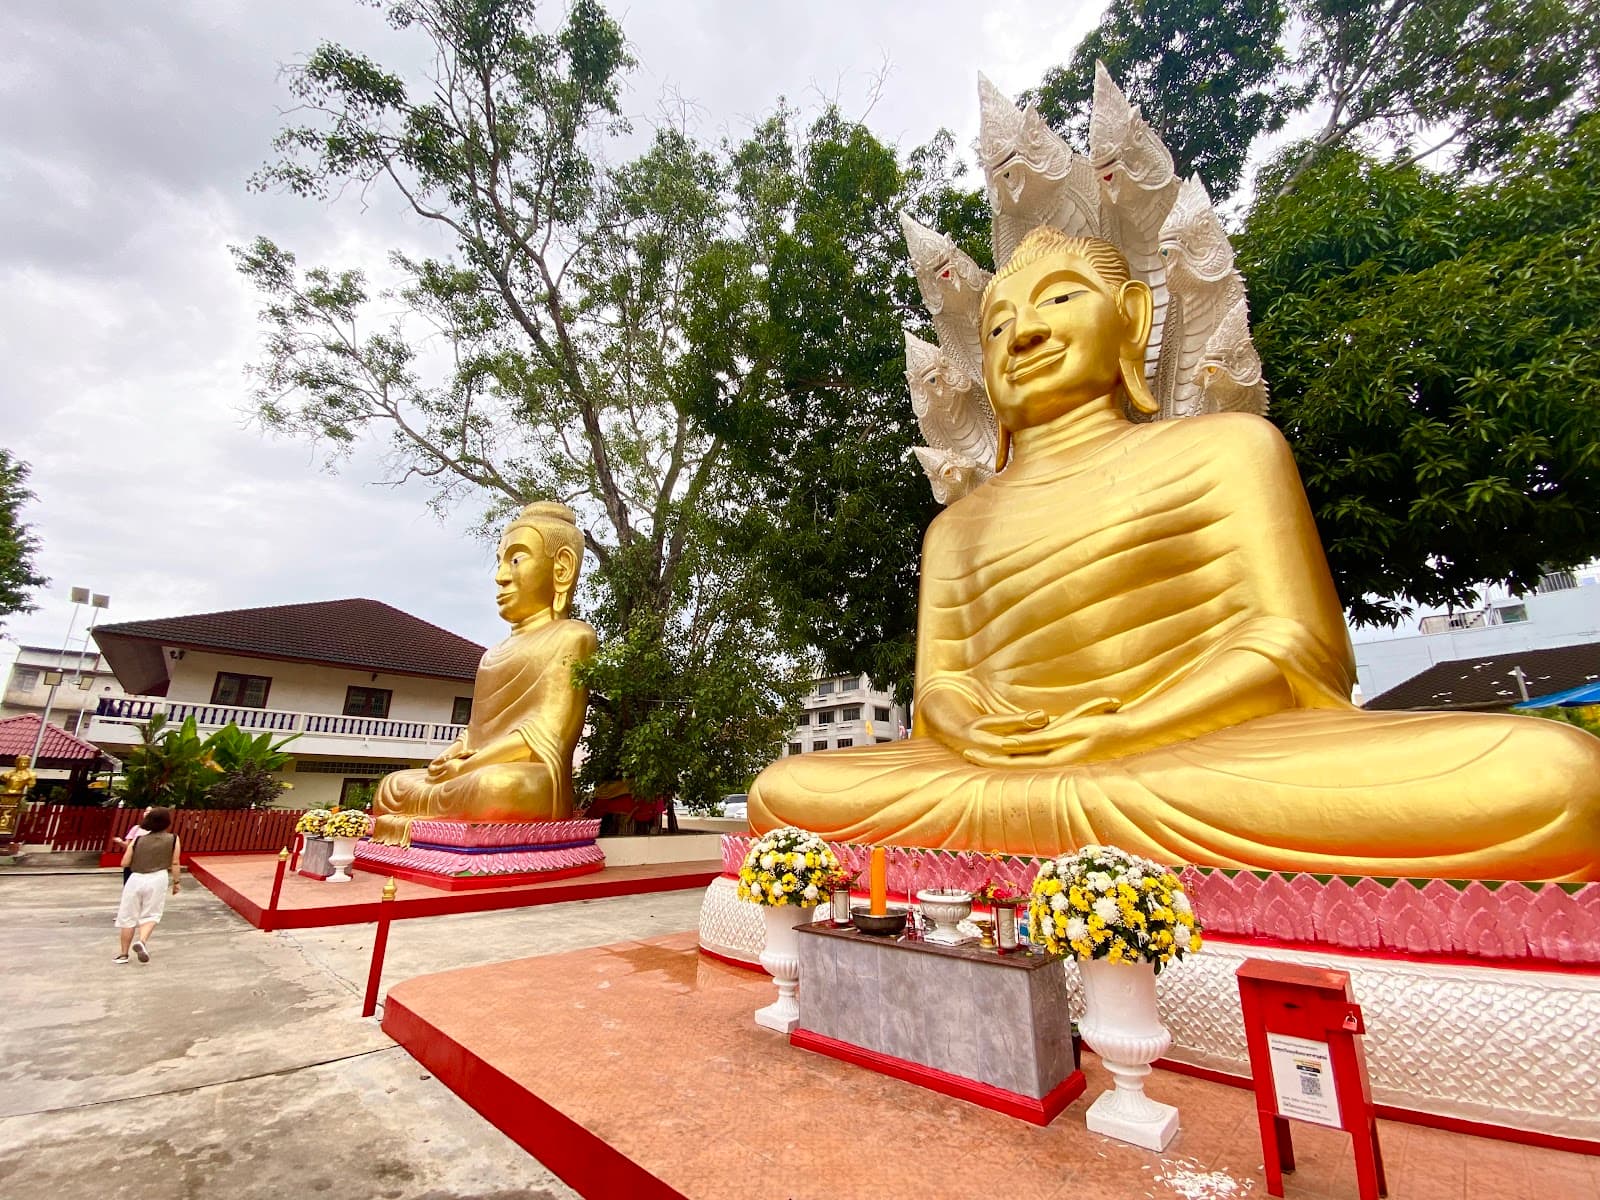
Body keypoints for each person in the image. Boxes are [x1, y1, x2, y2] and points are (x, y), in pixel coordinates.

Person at [749, 228, 1600, 882]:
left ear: (1132, 318)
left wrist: (1129, 726)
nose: (1024, 335)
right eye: (999, 324)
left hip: (1192, 755)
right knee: (784, 794)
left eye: (1057, 302)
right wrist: (979, 732)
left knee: (1548, 778)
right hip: (990, 774)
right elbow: (943, 688)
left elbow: (1298, 651)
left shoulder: (1229, 449)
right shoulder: (958, 528)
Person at [371, 501, 597, 845]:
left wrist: (468, 768)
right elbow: (476, 733)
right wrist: (453, 756)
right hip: (473, 769)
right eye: (500, 562)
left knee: (495, 786)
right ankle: (436, 819)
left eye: (516, 559)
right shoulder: (493, 655)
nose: (501, 575)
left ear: (562, 568)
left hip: (524, 775)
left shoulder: (572, 637)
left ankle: (448, 812)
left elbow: (546, 735)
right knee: (394, 786)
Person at [116, 807, 180, 963]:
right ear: (167, 822)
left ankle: (123, 955)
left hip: (135, 878)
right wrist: (176, 882)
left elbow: (124, 862)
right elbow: (175, 862)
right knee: (151, 914)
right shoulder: (173, 839)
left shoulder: (137, 840)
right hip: (158, 878)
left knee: (128, 916)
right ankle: (142, 941)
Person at [112, 809, 149, 885]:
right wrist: (120, 842)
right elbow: (128, 846)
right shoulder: (136, 828)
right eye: (146, 811)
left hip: (148, 863)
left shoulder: (157, 831)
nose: (147, 813)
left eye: (150, 811)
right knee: (128, 885)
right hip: (132, 861)